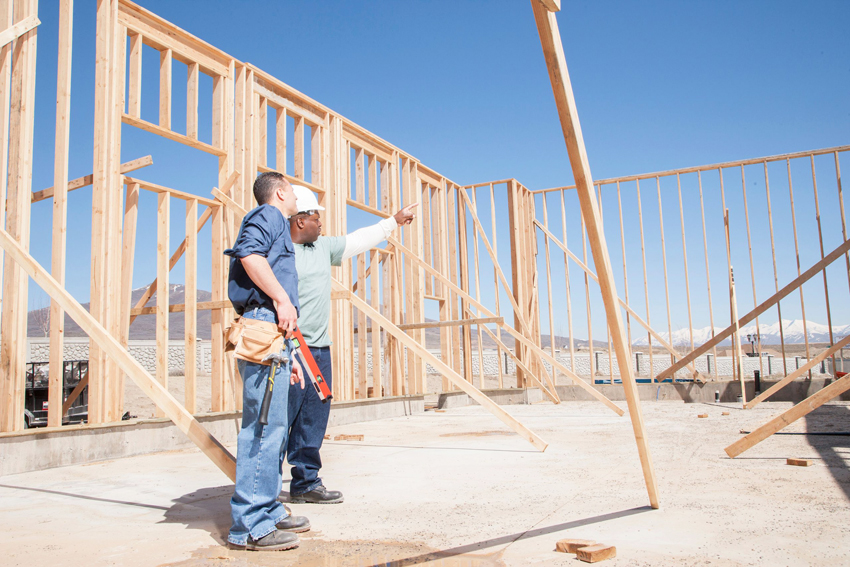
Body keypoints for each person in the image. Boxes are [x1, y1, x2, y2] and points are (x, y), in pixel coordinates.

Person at [283, 184, 416, 504]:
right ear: (301, 220)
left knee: (313, 418)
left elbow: (358, 240)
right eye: (316, 216)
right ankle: (264, 492)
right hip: (287, 348)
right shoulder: (279, 251)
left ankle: (305, 482)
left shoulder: (323, 248)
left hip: (318, 349)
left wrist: (393, 222)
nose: (321, 222)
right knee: (280, 417)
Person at [224, 172, 311, 552]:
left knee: (273, 427)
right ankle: (251, 526)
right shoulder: (270, 215)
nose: (296, 198)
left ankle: (269, 510)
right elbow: (249, 254)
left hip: (273, 333)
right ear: (279, 193)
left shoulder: (275, 222)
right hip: (264, 323)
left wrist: (288, 350)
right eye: (292, 191)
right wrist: (281, 299)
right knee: (263, 429)